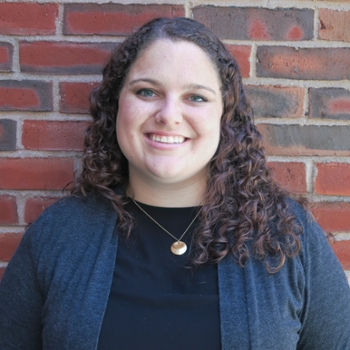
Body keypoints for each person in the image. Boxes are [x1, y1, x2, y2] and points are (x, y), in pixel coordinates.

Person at [0, 17, 349, 350]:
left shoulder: (287, 238)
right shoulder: (58, 235)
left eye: (195, 97)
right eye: (147, 91)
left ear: (225, 116)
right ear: (116, 104)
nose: (168, 115)